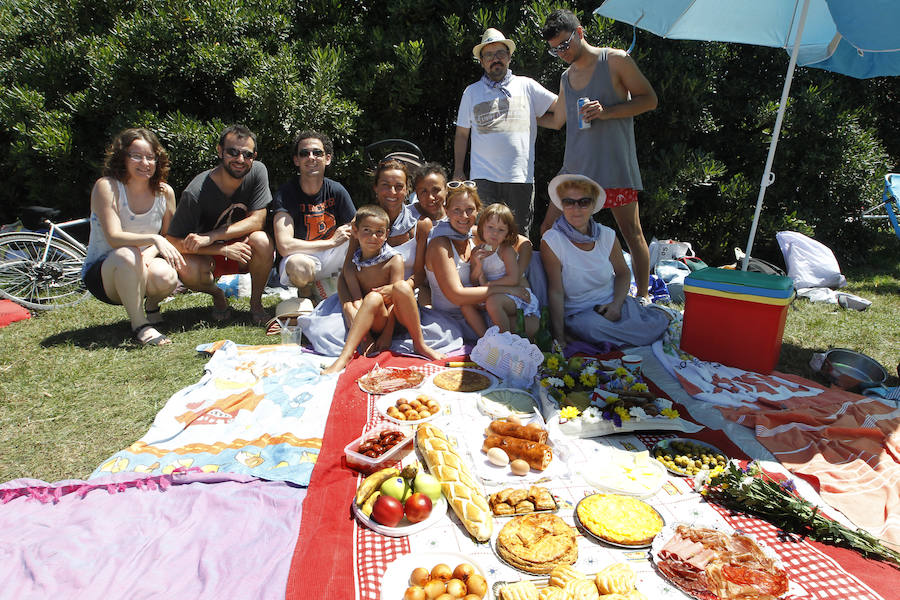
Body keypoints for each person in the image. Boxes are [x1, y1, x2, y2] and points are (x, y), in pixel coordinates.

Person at [539, 9, 657, 302]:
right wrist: (520, 118)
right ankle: (558, 297)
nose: (562, 53)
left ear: (580, 32)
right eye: (555, 50)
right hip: (575, 170)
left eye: (565, 45)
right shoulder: (566, 77)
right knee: (548, 228)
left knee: (632, 232)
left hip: (613, 166)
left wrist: (607, 112)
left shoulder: (615, 60)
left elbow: (650, 100)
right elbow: (557, 121)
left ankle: (642, 298)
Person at [81, 128, 185, 346]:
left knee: (167, 276)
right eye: (136, 156)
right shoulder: (107, 187)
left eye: (150, 157)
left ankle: (152, 306)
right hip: (105, 273)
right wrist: (154, 240)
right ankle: (140, 325)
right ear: (122, 157)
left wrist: (150, 252)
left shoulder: (165, 192)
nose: (145, 163)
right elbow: (114, 237)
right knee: (127, 255)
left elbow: (168, 235)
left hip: (141, 262)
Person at [541, 174, 669, 350]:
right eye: (569, 202)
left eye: (583, 202)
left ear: (593, 205)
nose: (575, 208)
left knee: (647, 321)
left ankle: (639, 330)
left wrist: (616, 305)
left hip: (613, 304)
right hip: (582, 315)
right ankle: (639, 334)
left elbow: (623, 273)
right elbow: (555, 291)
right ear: (562, 205)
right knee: (591, 328)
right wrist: (559, 336)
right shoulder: (552, 241)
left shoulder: (607, 235)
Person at [453, 28, 558, 237]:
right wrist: (458, 169)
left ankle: (519, 272)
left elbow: (559, 107)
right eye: (489, 55)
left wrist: (582, 94)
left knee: (518, 236)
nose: (495, 59)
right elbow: (462, 134)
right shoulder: (471, 92)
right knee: (483, 235)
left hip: (519, 177)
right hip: (482, 179)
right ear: (482, 61)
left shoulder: (526, 85)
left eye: (500, 53)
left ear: (509, 57)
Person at [166, 124, 274, 324]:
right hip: (208, 255)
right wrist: (222, 248)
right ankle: (217, 295)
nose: (240, 159)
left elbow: (258, 220)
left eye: (247, 154)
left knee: (263, 241)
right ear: (220, 151)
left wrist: (213, 235)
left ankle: (256, 304)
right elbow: (172, 242)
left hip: (241, 249)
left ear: (254, 156)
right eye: (233, 152)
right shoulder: (196, 192)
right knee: (186, 267)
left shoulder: (258, 171)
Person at [321, 205, 445, 374]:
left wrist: (387, 333)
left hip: (392, 319)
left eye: (379, 232)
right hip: (370, 317)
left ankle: (420, 344)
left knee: (399, 287)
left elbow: (396, 300)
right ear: (355, 232)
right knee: (372, 298)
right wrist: (365, 333)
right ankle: (345, 356)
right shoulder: (356, 258)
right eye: (367, 230)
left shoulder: (394, 260)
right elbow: (346, 278)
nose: (373, 237)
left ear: (387, 234)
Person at [425, 182, 531, 341]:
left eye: (469, 210)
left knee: (529, 324)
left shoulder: (475, 233)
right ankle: (493, 345)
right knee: (517, 330)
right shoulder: (440, 244)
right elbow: (457, 296)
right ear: (446, 211)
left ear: (478, 210)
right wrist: (508, 289)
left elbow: (524, 243)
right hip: (453, 318)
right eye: (457, 211)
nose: (464, 216)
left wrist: (517, 277)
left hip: (482, 308)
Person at [272, 130, 355, 299]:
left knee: (365, 238)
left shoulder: (336, 190)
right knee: (299, 267)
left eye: (317, 153)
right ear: (297, 160)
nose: (311, 157)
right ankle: (306, 294)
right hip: (302, 255)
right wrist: (331, 242)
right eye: (304, 153)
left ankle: (344, 288)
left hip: (331, 256)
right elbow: (284, 245)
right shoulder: (286, 193)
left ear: (327, 158)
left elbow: (356, 226)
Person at [463, 203, 540, 337]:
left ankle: (503, 342)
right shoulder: (477, 250)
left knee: (494, 302)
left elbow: (513, 279)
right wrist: (478, 265)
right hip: (494, 293)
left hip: (515, 294)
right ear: (481, 227)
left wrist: (488, 285)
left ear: (507, 233)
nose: (494, 233)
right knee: (466, 304)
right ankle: (485, 338)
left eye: (501, 230)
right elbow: (474, 280)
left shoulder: (505, 250)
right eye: (490, 227)